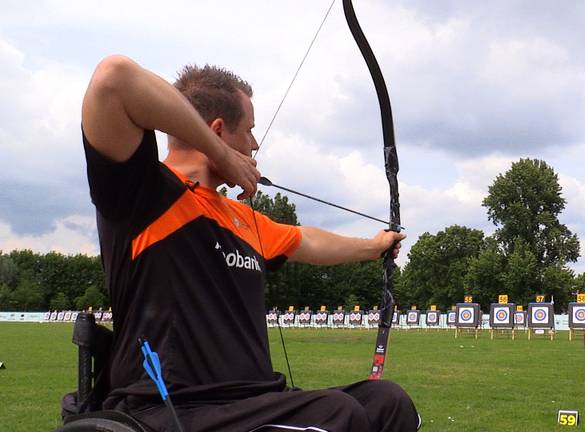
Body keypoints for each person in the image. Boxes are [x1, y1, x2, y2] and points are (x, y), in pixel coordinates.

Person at [78, 54, 419, 431]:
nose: (254, 144)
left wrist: (374, 247)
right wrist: (221, 153)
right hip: (170, 408)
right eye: (249, 130)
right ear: (219, 129)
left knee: (388, 402)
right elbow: (114, 78)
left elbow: (306, 240)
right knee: (338, 414)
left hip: (252, 404)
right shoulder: (144, 194)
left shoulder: (241, 219)